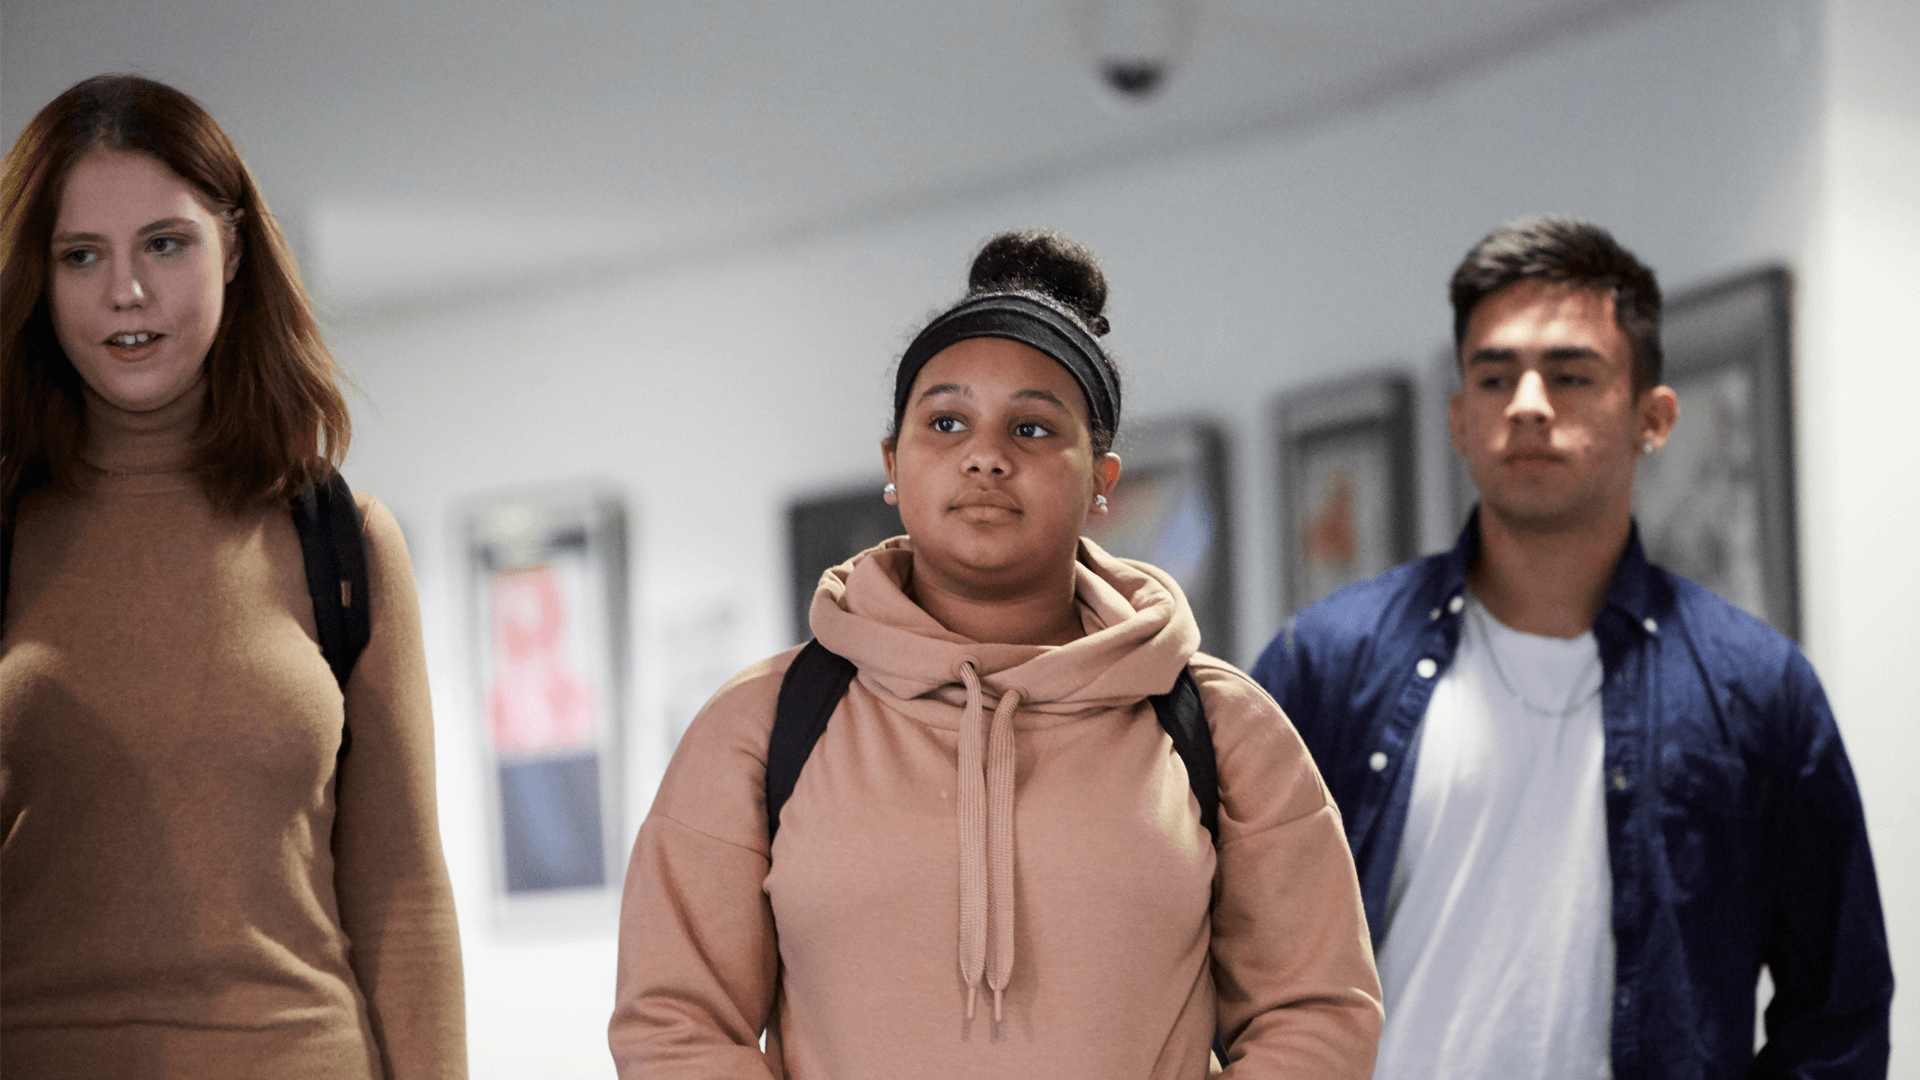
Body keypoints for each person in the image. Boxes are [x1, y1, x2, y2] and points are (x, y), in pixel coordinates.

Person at [609, 230, 1382, 1078]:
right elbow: (675, 1027)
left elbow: (1315, 1012)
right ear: (893, 463)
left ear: (1102, 480)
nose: (985, 455)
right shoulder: (759, 725)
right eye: (946, 422)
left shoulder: (1221, 726)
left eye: (1032, 428)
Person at [1252, 217, 1892, 1078]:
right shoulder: (1327, 663)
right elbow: (1218, 951)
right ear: (1460, 419)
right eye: (1493, 377)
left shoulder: (1758, 688)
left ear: (1653, 418)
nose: (1526, 403)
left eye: (1570, 375)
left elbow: (1839, 1015)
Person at [0, 75, 464, 1077]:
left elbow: (405, 898)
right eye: (81, 255)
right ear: (37, 277)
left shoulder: (344, 545)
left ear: (234, 250)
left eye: (165, 244)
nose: (127, 291)